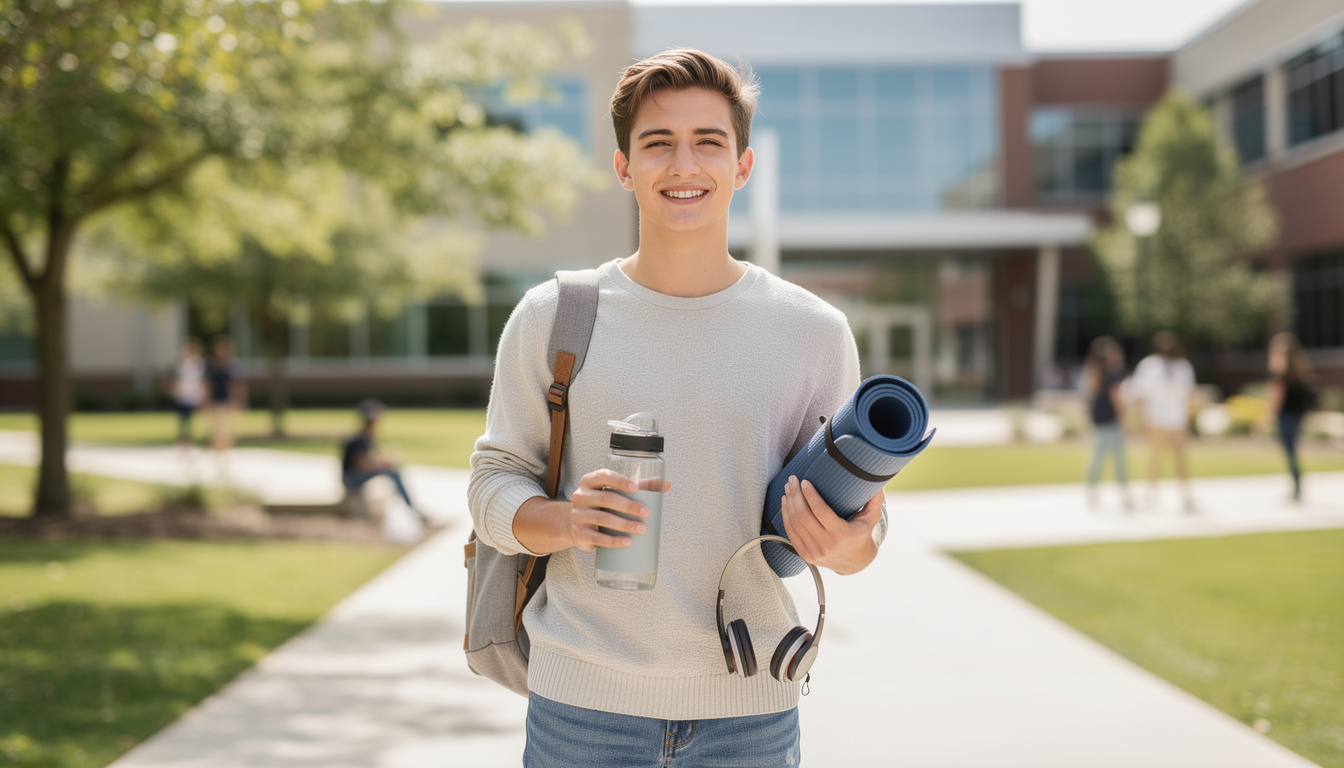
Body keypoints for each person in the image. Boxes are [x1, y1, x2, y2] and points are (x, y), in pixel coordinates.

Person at [468, 48, 886, 767]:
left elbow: (862, 524)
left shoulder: (814, 333)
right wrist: (567, 521)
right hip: (582, 712)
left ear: (742, 166)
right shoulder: (556, 315)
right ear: (625, 167)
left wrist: (851, 548)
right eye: (657, 144)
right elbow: (491, 484)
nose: (682, 165)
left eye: (708, 143)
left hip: (749, 717)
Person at [1131, 330, 1196, 512]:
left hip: (1177, 419)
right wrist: (1142, 421)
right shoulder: (1149, 366)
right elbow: (1141, 395)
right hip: (1156, 419)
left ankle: (1185, 494)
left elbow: (1188, 396)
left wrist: (1188, 421)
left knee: (1180, 460)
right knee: (1155, 458)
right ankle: (1151, 493)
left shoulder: (1182, 367)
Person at [341, 398, 429, 525]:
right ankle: (411, 508)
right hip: (352, 479)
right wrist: (382, 466)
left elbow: (370, 457)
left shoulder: (367, 438)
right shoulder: (357, 440)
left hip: (356, 475)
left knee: (392, 472)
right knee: (393, 473)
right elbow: (360, 465)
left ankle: (410, 508)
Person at [1263, 331, 1316, 502]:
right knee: (1293, 450)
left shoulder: (1279, 369)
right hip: (1298, 414)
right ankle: (1297, 484)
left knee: (1290, 451)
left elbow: (1276, 397)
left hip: (1286, 414)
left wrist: (1267, 417)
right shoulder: (1301, 367)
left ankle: (1296, 485)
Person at [1082, 336, 1131, 510]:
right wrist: (1123, 421)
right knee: (1118, 460)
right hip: (1110, 422)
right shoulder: (1112, 374)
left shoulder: (1092, 373)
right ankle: (1124, 494)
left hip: (1098, 421)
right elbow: (1117, 399)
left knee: (1097, 459)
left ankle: (1091, 491)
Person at [205, 334, 246, 457]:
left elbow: (238, 384)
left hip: (229, 400)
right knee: (216, 428)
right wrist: (205, 400)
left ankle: (224, 451)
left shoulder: (233, 366)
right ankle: (217, 452)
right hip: (215, 400)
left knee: (228, 429)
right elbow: (208, 384)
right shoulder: (212, 366)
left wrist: (240, 400)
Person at [170, 337, 206, 450]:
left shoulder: (199, 363)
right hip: (182, 396)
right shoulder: (182, 363)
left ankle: (189, 442)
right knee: (181, 420)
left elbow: (201, 380)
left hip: (192, 396)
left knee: (189, 420)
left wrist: (201, 395)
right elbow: (177, 378)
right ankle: (181, 442)